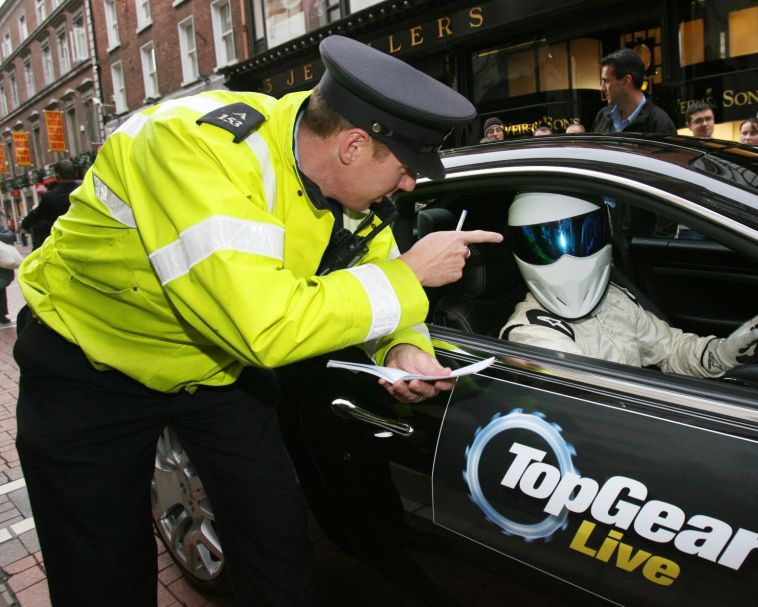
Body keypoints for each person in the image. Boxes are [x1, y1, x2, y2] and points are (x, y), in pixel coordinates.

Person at [14, 34, 503, 607]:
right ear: (351, 146)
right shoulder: (195, 148)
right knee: (102, 575)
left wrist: (402, 349)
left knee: (279, 547)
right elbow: (264, 327)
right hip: (90, 368)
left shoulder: (346, 191)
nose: (409, 185)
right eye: (403, 169)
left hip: (216, 372)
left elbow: (373, 269)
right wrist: (411, 277)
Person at [500, 193, 758, 377]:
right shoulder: (531, 334)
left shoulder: (615, 297)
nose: (566, 260)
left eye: (581, 236)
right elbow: (591, 398)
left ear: (605, 231)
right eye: (543, 245)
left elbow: (671, 350)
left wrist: (726, 352)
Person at [591, 48, 676, 135]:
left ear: (626, 80)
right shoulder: (602, 117)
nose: (602, 88)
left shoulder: (659, 123)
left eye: (606, 81)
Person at [21, 160, 80, 248]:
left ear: (57, 176)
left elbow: (35, 216)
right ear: (76, 173)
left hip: (61, 245)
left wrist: (24, 224)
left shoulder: (49, 197)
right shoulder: (85, 191)